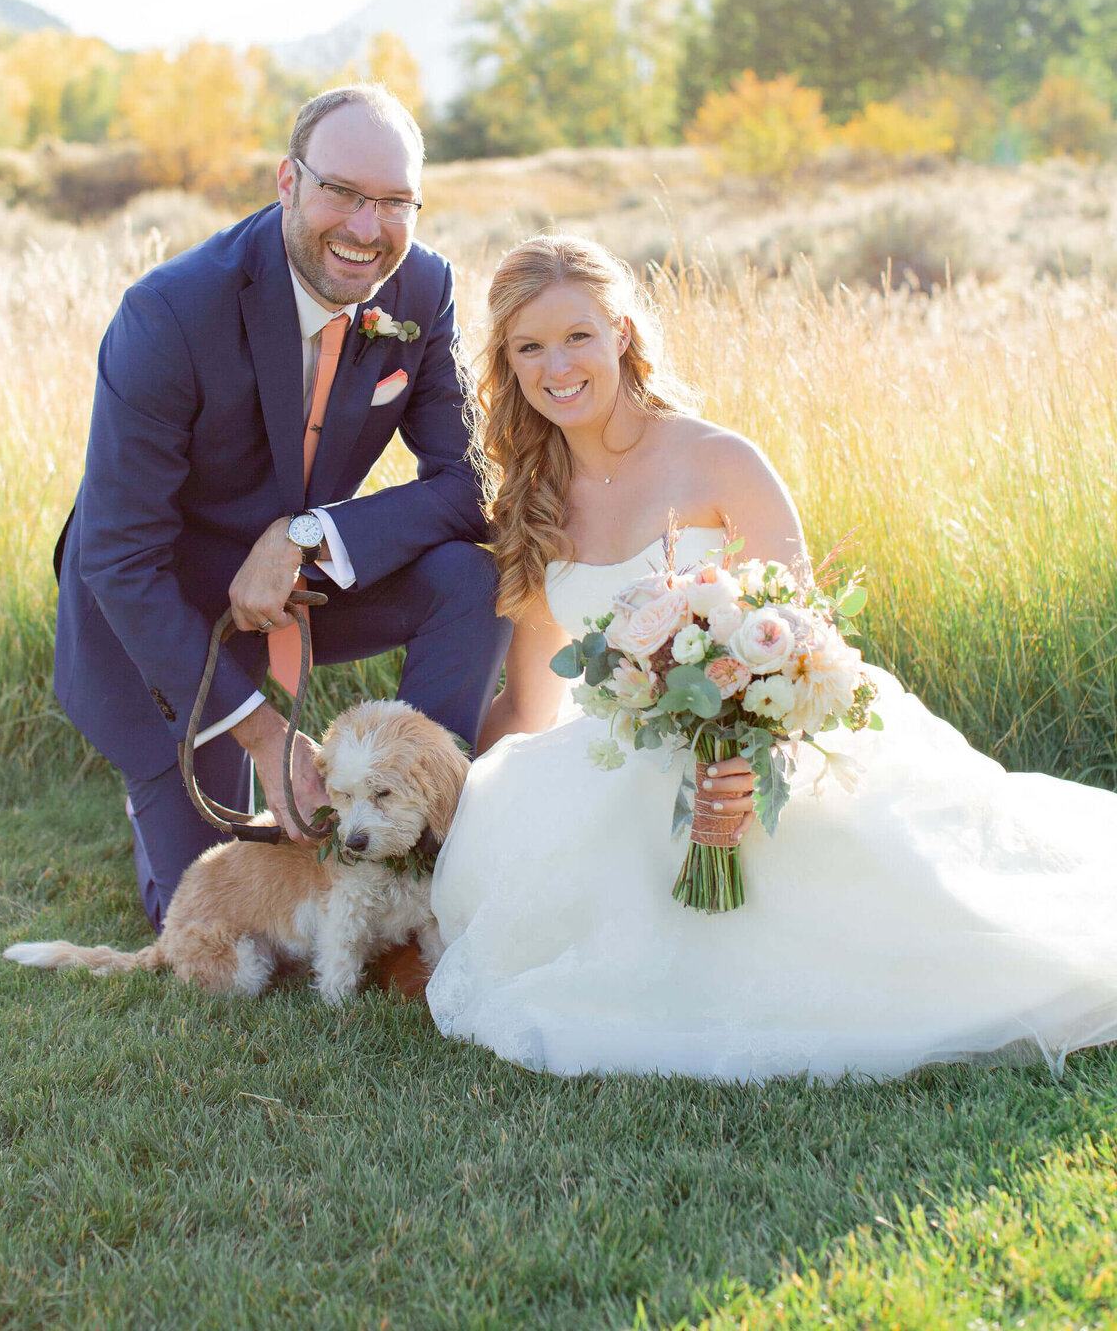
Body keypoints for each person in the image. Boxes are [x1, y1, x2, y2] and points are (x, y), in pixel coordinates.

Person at [426, 234, 1117, 1081]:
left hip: (770, 749)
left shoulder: (717, 460)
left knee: (947, 923)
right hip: (627, 766)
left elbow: (804, 641)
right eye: (528, 347)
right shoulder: (530, 504)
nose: (556, 366)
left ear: (623, 335)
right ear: (507, 363)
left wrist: (755, 757)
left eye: (577, 336)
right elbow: (531, 708)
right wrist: (436, 794)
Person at [55, 83, 511, 932]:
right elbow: (119, 559)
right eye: (342, 191)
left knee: (468, 576)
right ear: (288, 183)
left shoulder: (423, 289)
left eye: (394, 203)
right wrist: (265, 735)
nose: (367, 229)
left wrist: (310, 534)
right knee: (204, 914)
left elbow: (468, 484)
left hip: (298, 588)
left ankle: (422, 848)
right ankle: (164, 790)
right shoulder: (169, 314)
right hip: (162, 614)